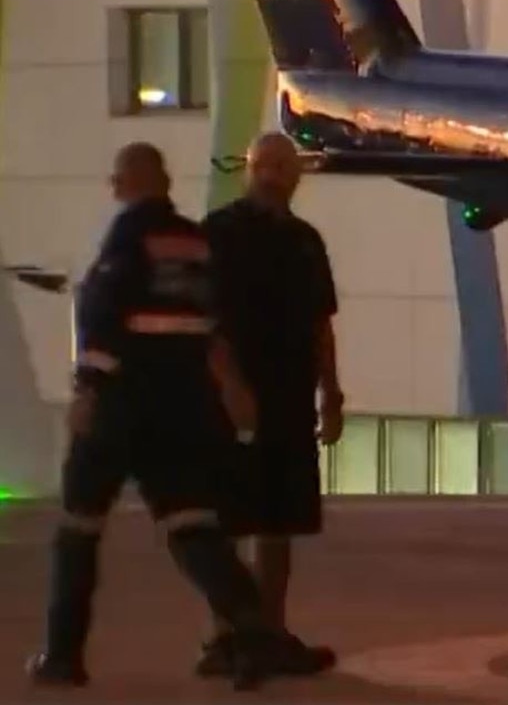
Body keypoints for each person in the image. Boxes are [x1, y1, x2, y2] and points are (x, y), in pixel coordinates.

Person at [26, 143, 285, 691]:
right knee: (191, 525)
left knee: (79, 528)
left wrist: (88, 391)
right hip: (184, 409)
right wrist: (230, 385)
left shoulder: (128, 237)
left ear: (129, 182)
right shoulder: (194, 243)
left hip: (122, 407)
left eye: (117, 178)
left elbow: (103, 317)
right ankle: (252, 626)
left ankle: (63, 656)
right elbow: (210, 323)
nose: (113, 188)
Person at [196, 132, 340, 677]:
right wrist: (229, 384)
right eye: (268, 163)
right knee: (231, 515)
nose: (278, 172)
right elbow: (205, 320)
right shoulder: (220, 234)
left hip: (291, 395)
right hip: (232, 400)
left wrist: (331, 391)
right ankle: (225, 635)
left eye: (287, 164)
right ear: (250, 168)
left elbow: (320, 323)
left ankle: (271, 632)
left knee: (280, 518)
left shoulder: (306, 240)